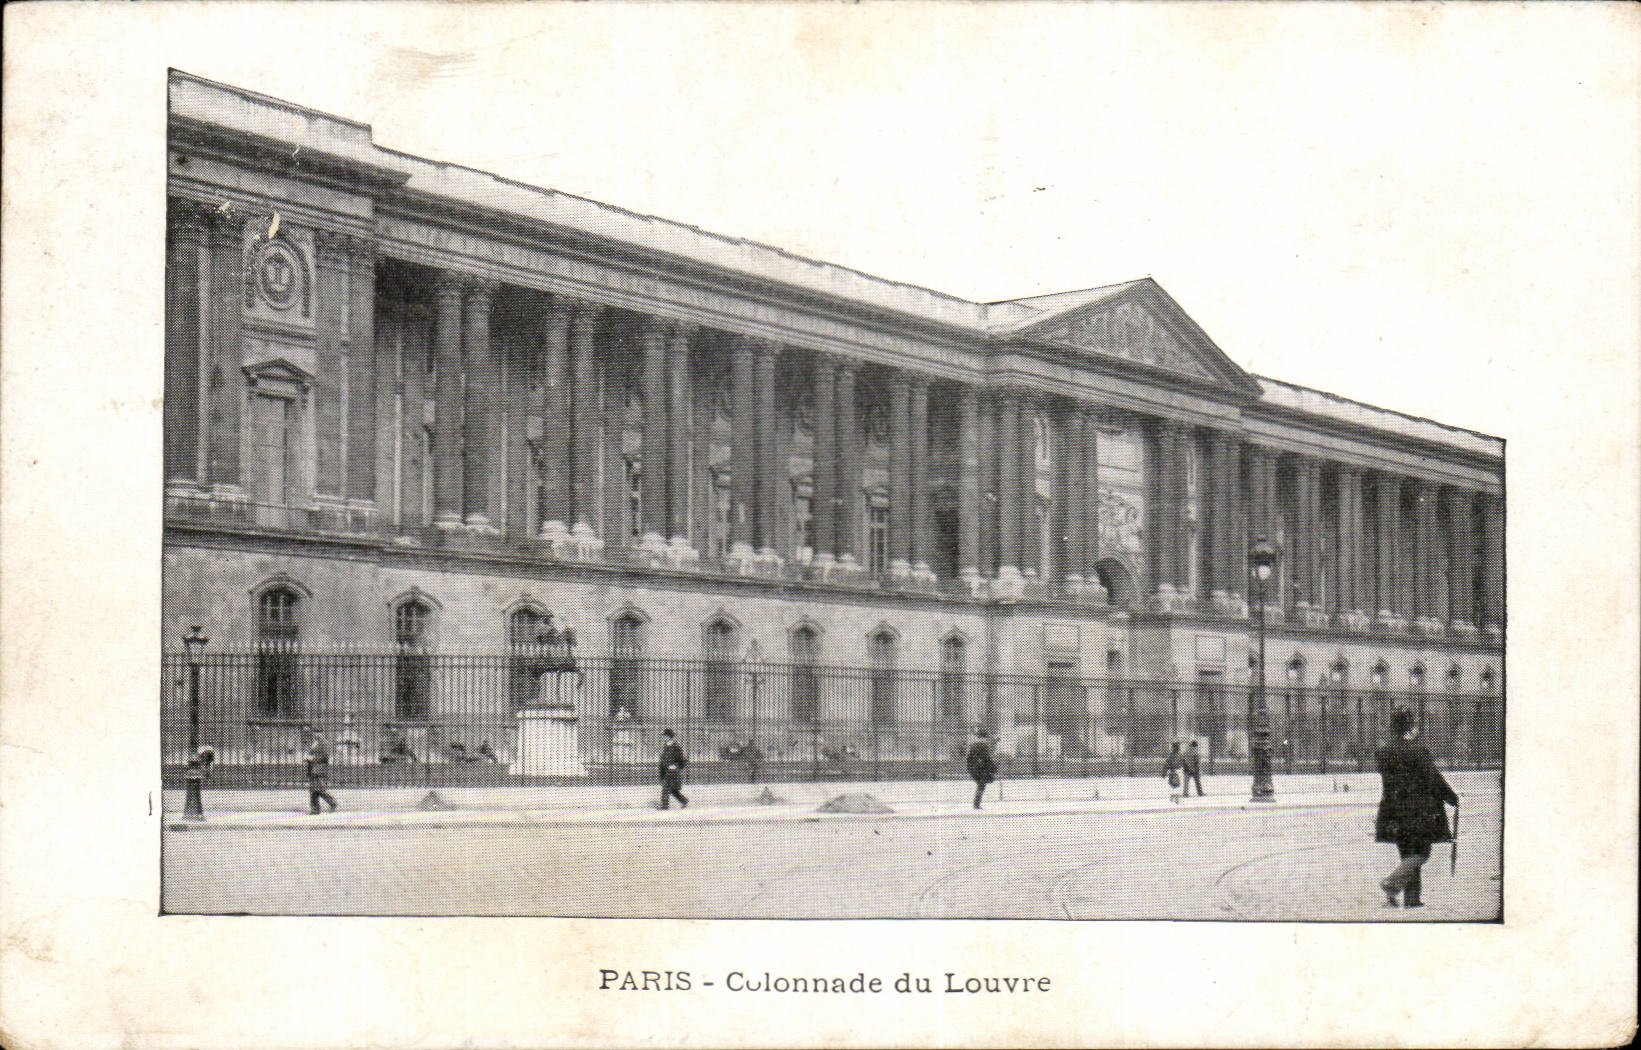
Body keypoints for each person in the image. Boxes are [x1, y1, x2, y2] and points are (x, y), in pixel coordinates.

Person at [1374, 707, 1458, 908]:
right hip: (1419, 811)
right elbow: (1433, 779)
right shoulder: (1418, 751)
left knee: (1407, 853)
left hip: (1393, 810)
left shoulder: (1384, 752)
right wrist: (1451, 797)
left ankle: (1412, 900)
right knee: (1421, 853)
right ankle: (1392, 884)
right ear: (1410, 726)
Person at [304, 729, 338, 815]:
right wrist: (308, 758)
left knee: (319, 790)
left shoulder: (324, 743)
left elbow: (325, 756)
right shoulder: (315, 743)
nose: (316, 734)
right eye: (315, 732)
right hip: (313, 768)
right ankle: (315, 809)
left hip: (319, 769)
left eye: (318, 732)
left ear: (322, 733)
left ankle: (332, 803)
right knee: (313, 790)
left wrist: (312, 759)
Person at [966, 728, 997, 810]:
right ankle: (976, 804)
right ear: (985, 737)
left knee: (981, 784)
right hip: (981, 768)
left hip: (972, 768)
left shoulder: (973, 745)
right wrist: (994, 767)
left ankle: (976, 803)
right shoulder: (984, 745)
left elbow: (969, 758)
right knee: (982, 785)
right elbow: (986, 757)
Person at [658, 728, 689, 810]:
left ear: (669, 737)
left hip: (673, 771)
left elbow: (681, 760)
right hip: (666, 771)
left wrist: (676, 766)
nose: (663, 738)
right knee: (672, 789)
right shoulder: (666, 746)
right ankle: (684, 801)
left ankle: (664, 807)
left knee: (666, 788)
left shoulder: (676, 747)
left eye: (665, 736)